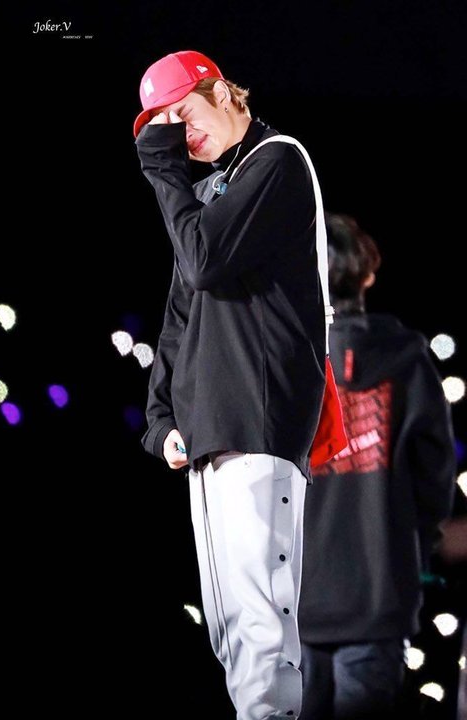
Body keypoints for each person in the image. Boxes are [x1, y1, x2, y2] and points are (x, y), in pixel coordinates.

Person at [133, 50, 331, 720]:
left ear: (222, 93)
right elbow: (181, 310)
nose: (176, 137)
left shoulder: (278, 160)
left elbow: (205, 261)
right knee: (230, 633)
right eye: (161, 128)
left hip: (259, 414)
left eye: (181, 115)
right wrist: (161, 418)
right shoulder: (214, 190)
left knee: (259, 627)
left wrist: (161, 169)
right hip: (212, 425)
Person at [297, 213, 457, 720]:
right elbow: (435, 477)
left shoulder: (283, 361)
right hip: (379, 590)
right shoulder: (407, 360)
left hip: (293, 596)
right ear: (367, 274)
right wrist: (416, 543)